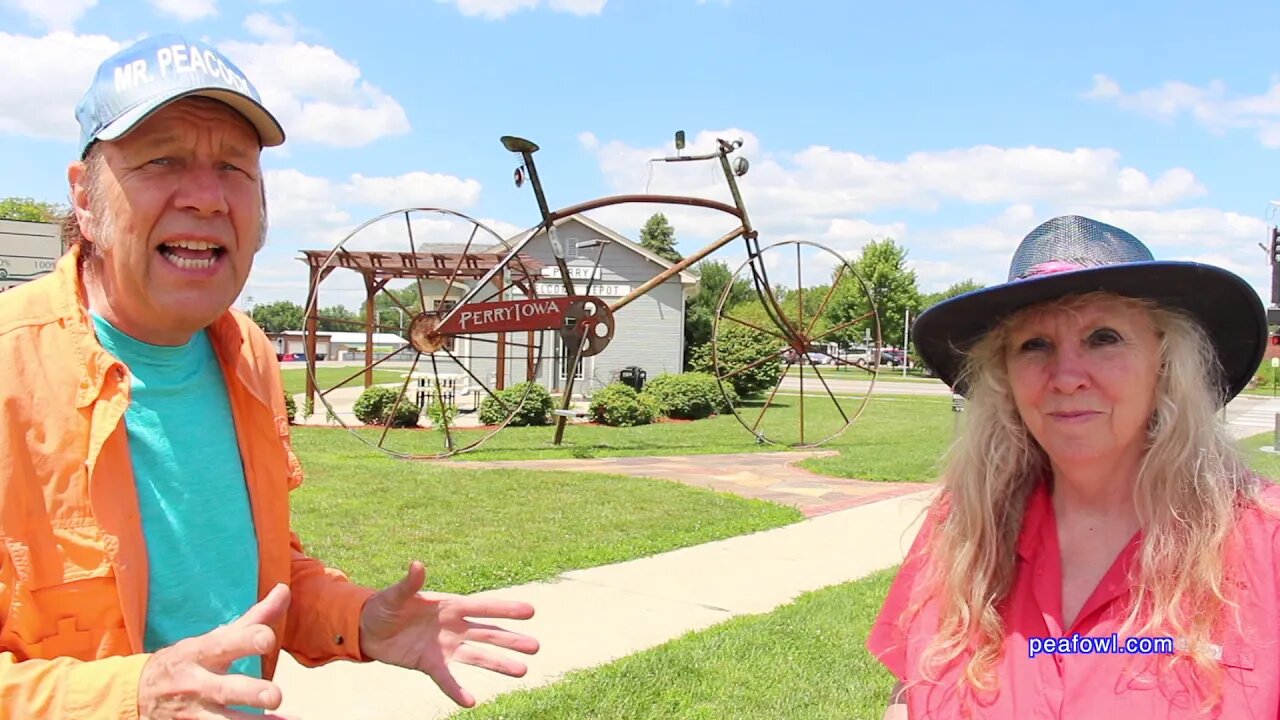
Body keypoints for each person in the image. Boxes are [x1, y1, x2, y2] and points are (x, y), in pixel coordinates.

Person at [0, 33, 539, 719]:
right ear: (85, 198)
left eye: (234, 167)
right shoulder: (9, 368)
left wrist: (360, 619)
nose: (206, 196)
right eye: (161, 159)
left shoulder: (245, 354)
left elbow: (256, 574)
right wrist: (128, 698)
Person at [868, 215, 1280, 718]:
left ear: (1166, 364)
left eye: (1103, 337)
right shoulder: (958, 531)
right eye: (1034, 345)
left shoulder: (1265, 542)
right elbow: (908, 693)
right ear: (1005, 379)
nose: (1065, 377)